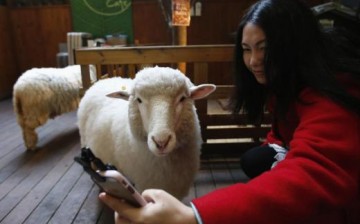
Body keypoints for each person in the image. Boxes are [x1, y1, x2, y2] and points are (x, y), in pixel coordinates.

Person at [99, 0, 360, 223]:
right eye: (246, 50)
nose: (254, 61)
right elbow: (286, 131)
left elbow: (317, 169)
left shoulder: (336, 91)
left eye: (264, 48)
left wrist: (195, 216)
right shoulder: (290, 82)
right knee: (254, 158)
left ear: (294, 44)